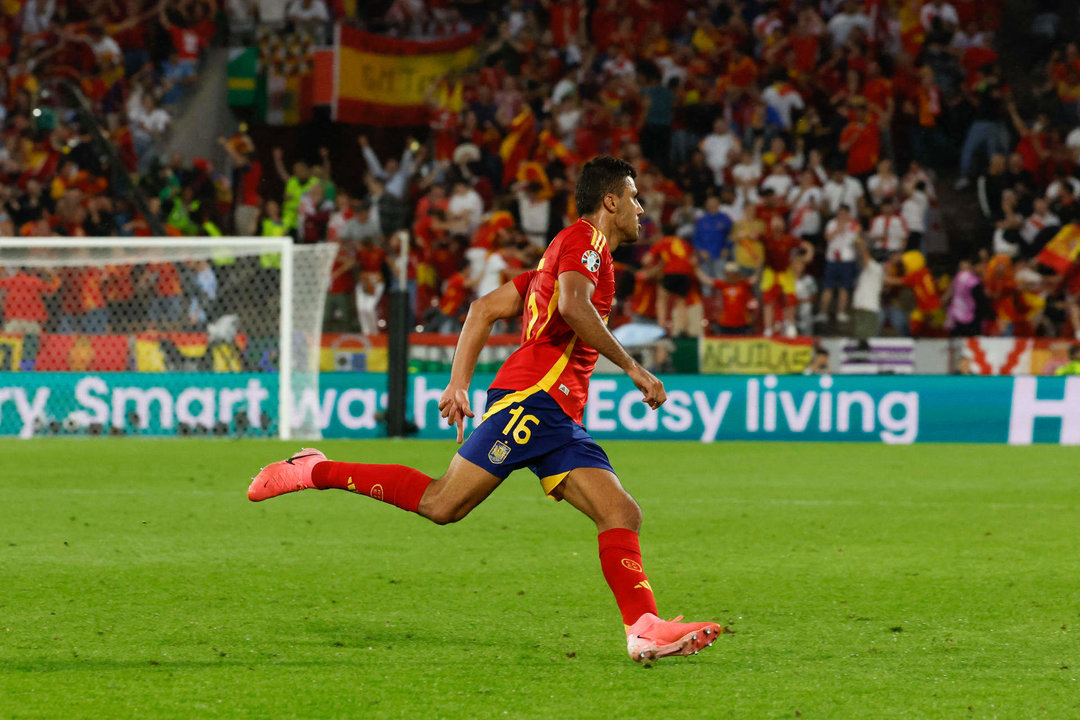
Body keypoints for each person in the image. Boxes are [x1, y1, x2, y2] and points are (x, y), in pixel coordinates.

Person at [247, 157, 723, 663]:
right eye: (632, 196)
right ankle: (315, 471)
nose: (640, 207)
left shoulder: (556, 257)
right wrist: (634, 368)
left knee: (619, 511)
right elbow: (573, 308)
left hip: (552, 413)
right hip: (534, 402)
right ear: (610, 201)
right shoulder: (587, 245)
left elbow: (483, 309)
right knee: (442, 503)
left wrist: (459, 385)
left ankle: (644, 627)